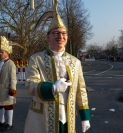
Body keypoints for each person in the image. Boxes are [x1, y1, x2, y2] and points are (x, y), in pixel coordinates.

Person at [24, 1, 91, 133]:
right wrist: (53, 87)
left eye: (64, 33)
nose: (60, 36)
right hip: (42, 119)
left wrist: (85, 117)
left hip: (68, 118)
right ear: (47, 37)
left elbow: (81, 91)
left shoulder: (75, 62)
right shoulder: (36, 58)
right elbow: (30, 85)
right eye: (56, 33)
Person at [0, 36, 17, 132]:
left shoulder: (11, 64)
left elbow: (13, 79)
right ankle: (1, 121)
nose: (0, 53)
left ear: (7, 52)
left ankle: (10, 124)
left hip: (6, 89)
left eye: (2, 52)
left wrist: (12, 92)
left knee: (8, 106)